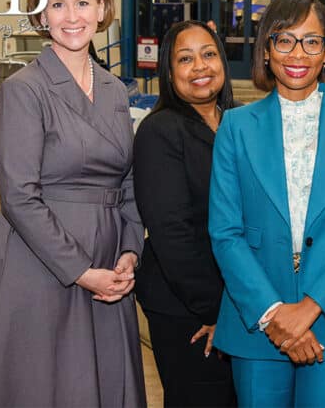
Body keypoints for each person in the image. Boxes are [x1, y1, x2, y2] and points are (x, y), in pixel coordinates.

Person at [0, 0, 146, 407]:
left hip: (108, 262)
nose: (72, 17)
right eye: (58, 5)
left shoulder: (114, 91)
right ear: (41, 15)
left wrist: (129, 250)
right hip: (43, 265)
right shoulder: (25, 88)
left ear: (103, 9)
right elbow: (19, 197)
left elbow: (127, 182)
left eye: (83, 3)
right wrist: (83, 273)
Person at [208, 0, 325, 407]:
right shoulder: (235, 127)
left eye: (311, 41)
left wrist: (309, 308)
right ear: (267, 50)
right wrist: (274, 313)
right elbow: (226, 233)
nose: (298, 53)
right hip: (257, 326)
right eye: (284, 40)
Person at [133, 20, 237, 407]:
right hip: (187, 307)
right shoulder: (159, 131)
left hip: (240, 300)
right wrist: (217, 309)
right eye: (185, 58)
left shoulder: (239, 122)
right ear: (169, 70)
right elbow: (171, 232)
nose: (200, 67)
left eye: (209, 54)